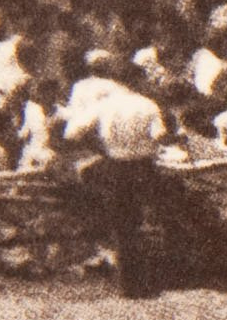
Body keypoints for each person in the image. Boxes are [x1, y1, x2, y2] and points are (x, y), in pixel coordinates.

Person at [60, 48, 170, 296]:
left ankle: (128, 284)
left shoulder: (105, 104)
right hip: (144, 166)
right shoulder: (148, 105)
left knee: (124, 225)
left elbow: (71, 133)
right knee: (150, 219)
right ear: (137, 80)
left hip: (115, 164)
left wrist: (99, 145)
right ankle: (155, 276)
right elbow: (160, 135)